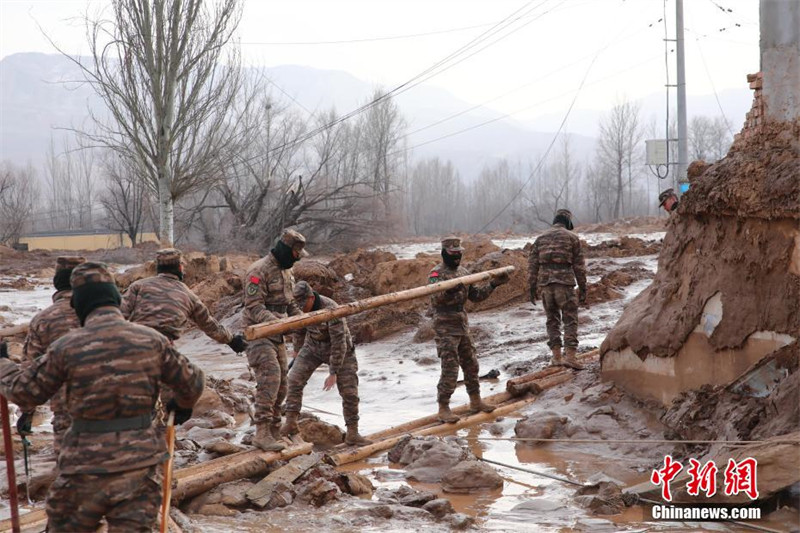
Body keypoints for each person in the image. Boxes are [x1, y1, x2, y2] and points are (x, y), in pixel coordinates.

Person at [0, 262, 205, 533]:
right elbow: (194, 382)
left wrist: (3, 363)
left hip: (83, 469)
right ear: (115, 299)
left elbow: (24, 391)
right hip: (140, 467)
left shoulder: (66, 347)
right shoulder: (151, 340)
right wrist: (182, 405)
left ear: (80, 304)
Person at [428, 237, 509, 423]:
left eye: (459, 253)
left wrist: (494, 284)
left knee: (471, 364)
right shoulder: (436, 274)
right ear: (444, 253)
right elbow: (434, 298)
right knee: (450, 368)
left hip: (462, 324)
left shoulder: (465, 273)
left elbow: (476, 296)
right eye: (453, 254)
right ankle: (444, 408)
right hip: (445, 326)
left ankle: (475, 401)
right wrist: (448, 291)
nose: (457, 257)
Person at [280, 281, 371, 446]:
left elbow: (339, 343)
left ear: (310, 297)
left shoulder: (331, 309)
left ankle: (352, 433)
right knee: (294, 379)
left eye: (303, 304)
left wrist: (333, 372)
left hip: (339, 350)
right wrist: (297, 350)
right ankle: (291, 423)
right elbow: (299, 328)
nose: (301, 308)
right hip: (313, 347)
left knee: (349, 391)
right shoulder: (299, 308)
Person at [242, 229, 308, 451]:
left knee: (282, 385)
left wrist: (301, 319)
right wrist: (276, 324)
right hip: (259, 333)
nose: (298, 257)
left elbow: (289, 303)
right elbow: (253, 306)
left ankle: (273, 430)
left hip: (278, 333)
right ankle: (261, 432)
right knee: (270, 378)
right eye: (296, 253)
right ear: (286, 250)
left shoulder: (287, 272)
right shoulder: (258, 271)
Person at [121, 248, 247, 353]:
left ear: (158, 267)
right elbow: (210, 326)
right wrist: (232, 340)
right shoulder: (188, 295)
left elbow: (118, 315)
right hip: (164, 353)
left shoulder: (137, 286)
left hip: (133, 348)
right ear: (180, 268)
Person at [18, 256, 85, 453]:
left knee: (70, 474)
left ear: (56, 281)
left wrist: (27, 413)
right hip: (118, 412)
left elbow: (30, 372)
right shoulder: (110, 314)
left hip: (67, 411)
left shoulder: (43, 319)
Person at [528, 209, 587, 370]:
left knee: (552, 320)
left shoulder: (540, 238)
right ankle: (571, 357)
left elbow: (532, 265)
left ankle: (556, 357)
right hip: (565, 284)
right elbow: (579, 266)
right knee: (570, 320)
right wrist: (583, 288)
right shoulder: (572, 238)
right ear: (568, 222)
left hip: (545, 285)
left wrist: (531, 288)